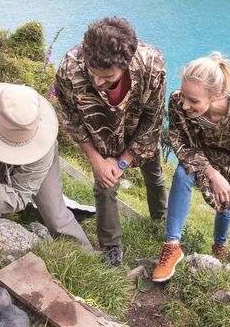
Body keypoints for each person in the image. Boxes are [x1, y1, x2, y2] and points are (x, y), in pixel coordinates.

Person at [55, 17, 168, 266]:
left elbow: (152, 121)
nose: (98, 82)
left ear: (125, 65)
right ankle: (111, 247)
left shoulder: (151, 65)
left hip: (139, 133)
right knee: (104, 185)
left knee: (154, 174)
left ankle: (160, 219)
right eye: (93, 73)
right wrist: (96, 160)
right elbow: (71, 119)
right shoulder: (69, 69)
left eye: (107, 77)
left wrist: (124, 162)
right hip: (101, 136)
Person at [152, 52, 230, 282]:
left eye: (193, 101)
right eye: (184, 95)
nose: (184, 105)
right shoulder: (178, 103)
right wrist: (210, 172)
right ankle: (172, 246)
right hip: (198, 154)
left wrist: (222, 179)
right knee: (183, 173)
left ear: (218, 95)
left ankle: (219, 245)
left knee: (226, 199)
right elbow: (179, 141)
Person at [0, 82, 93, 251]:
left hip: (36, 153)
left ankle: (86, 254)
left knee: (55, 213)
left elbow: (21, 196)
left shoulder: (42, 147)